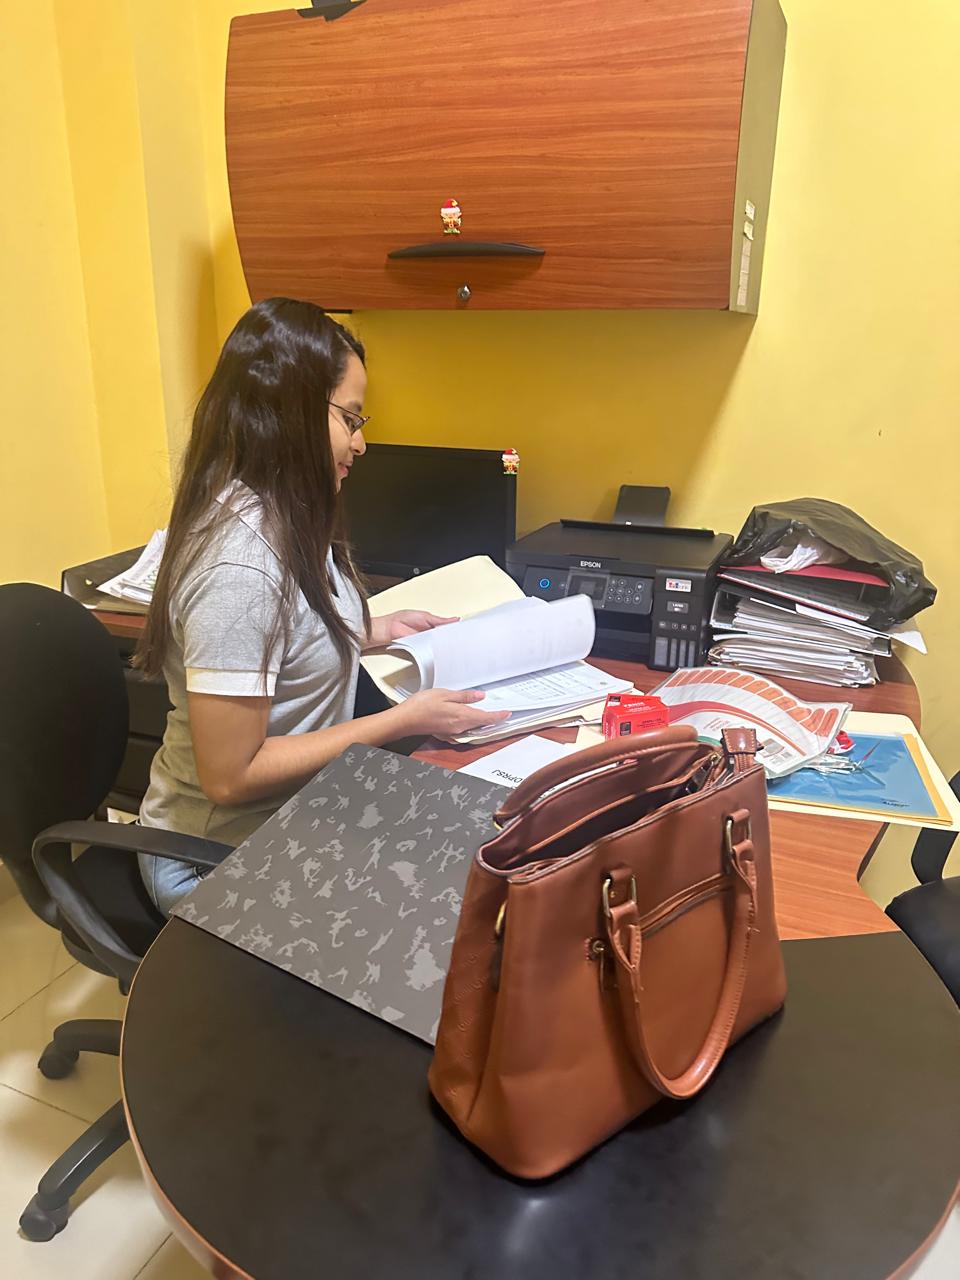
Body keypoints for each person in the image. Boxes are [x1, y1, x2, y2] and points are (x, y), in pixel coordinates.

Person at [134, 297, 508, 913]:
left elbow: (287, 634)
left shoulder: (285, 516)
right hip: (213, 861)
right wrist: (404, 719)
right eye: (350, 419)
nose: (361, 444)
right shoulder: (239, 567)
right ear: (290, 412)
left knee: (480, 850)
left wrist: (375, 628)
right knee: (448, 907)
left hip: (292, 820)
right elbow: (231, 775)